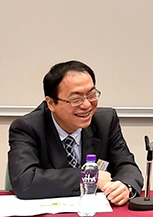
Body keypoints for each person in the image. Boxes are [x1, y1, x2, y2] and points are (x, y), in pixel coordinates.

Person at [8, 60, 142, 203]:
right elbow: (25, 181)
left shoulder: (106, 121)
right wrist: (89, 177)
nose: (86, 105)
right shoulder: (27, 128)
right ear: (51, 103)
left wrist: (125, 186)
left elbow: (126, 166)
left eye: (91, 95)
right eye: (76, 99)